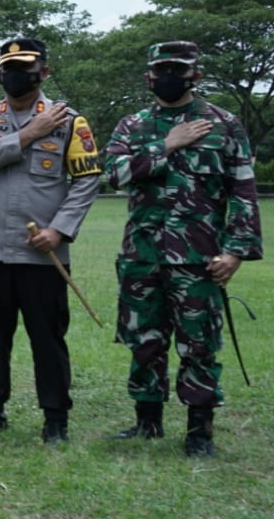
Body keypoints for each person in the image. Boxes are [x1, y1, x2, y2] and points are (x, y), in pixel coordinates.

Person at [103, 41, 263, 457]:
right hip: (143, 255)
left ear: (196, 75)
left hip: (200, 257)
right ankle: (147, 420)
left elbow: (243, 191)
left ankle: (199, 431)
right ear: (149, 76)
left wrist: (236, 252)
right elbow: (115, 175)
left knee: (199, 344)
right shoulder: (132, 125)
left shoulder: (224, 125)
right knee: (144, 340)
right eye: (162, 69)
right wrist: (167, 145)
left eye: (179, 69)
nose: (169, 76)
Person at [0, 39, 101, 444]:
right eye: (8, 66)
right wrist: (29, 135)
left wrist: (61, 229)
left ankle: (55, 418)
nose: (15, 74)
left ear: (44, 72)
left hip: (43, 253)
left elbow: (87, 179)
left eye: (25, 66)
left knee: (48, 337)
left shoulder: (72, 121)